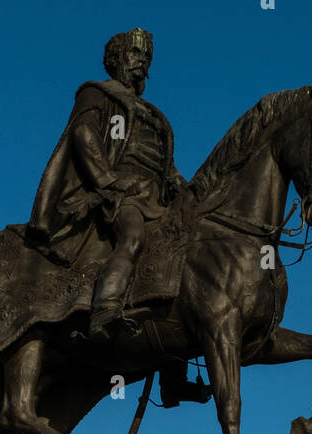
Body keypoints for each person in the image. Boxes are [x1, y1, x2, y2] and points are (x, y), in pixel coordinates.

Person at [27, 28, 187, 339]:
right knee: (133, 235)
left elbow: (167, 165)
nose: (141, 62)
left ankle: (174, 367)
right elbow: (84, 134)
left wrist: (182, 185)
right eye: (135, 54)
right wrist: (108, 179)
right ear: (116, 59)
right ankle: (105, 308)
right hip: (120, 193)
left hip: (156, 195)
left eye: (146, 57)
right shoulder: (96, 93)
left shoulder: (155, 115)